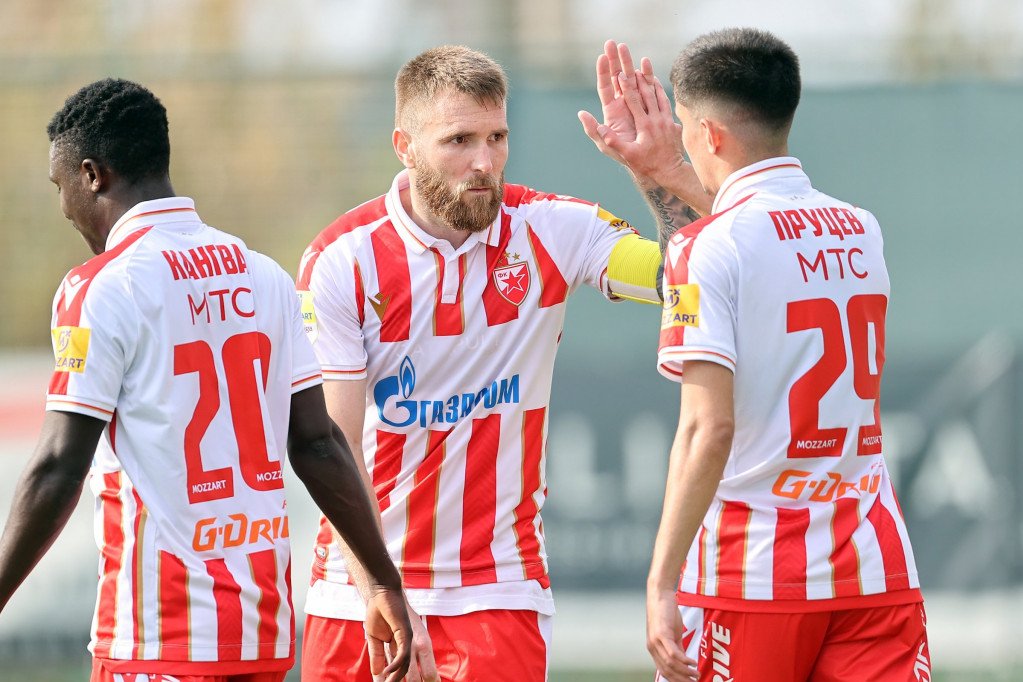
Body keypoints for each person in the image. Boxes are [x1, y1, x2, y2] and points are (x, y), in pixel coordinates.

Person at [296, 45, 709, 682]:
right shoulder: (342, 260)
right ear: (404, 145)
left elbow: (692, 276)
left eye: (497, 137)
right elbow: (335, 443)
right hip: (358, 591)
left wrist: (666, 174)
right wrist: (379, 587)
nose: (484, 162)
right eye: (458, 140)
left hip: (496, 591)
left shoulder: (554, 228)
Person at [0, 78, 411, 682]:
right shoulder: (266, 277)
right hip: (261, 637)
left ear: (92, 175)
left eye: (61, 188)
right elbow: (318, 443)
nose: (64, 209)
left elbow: (59, 466)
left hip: (155, 637)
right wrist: (381, 580)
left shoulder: (101, 288)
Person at [586, 30, 930, 681]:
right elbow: (767, 238)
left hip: (750, 574)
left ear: (709, 135)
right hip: (873, 567)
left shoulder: (704, 249)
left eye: (684, 126)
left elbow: (707, 429)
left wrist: (660, 581)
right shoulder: (862, 228)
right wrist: (667, 173)